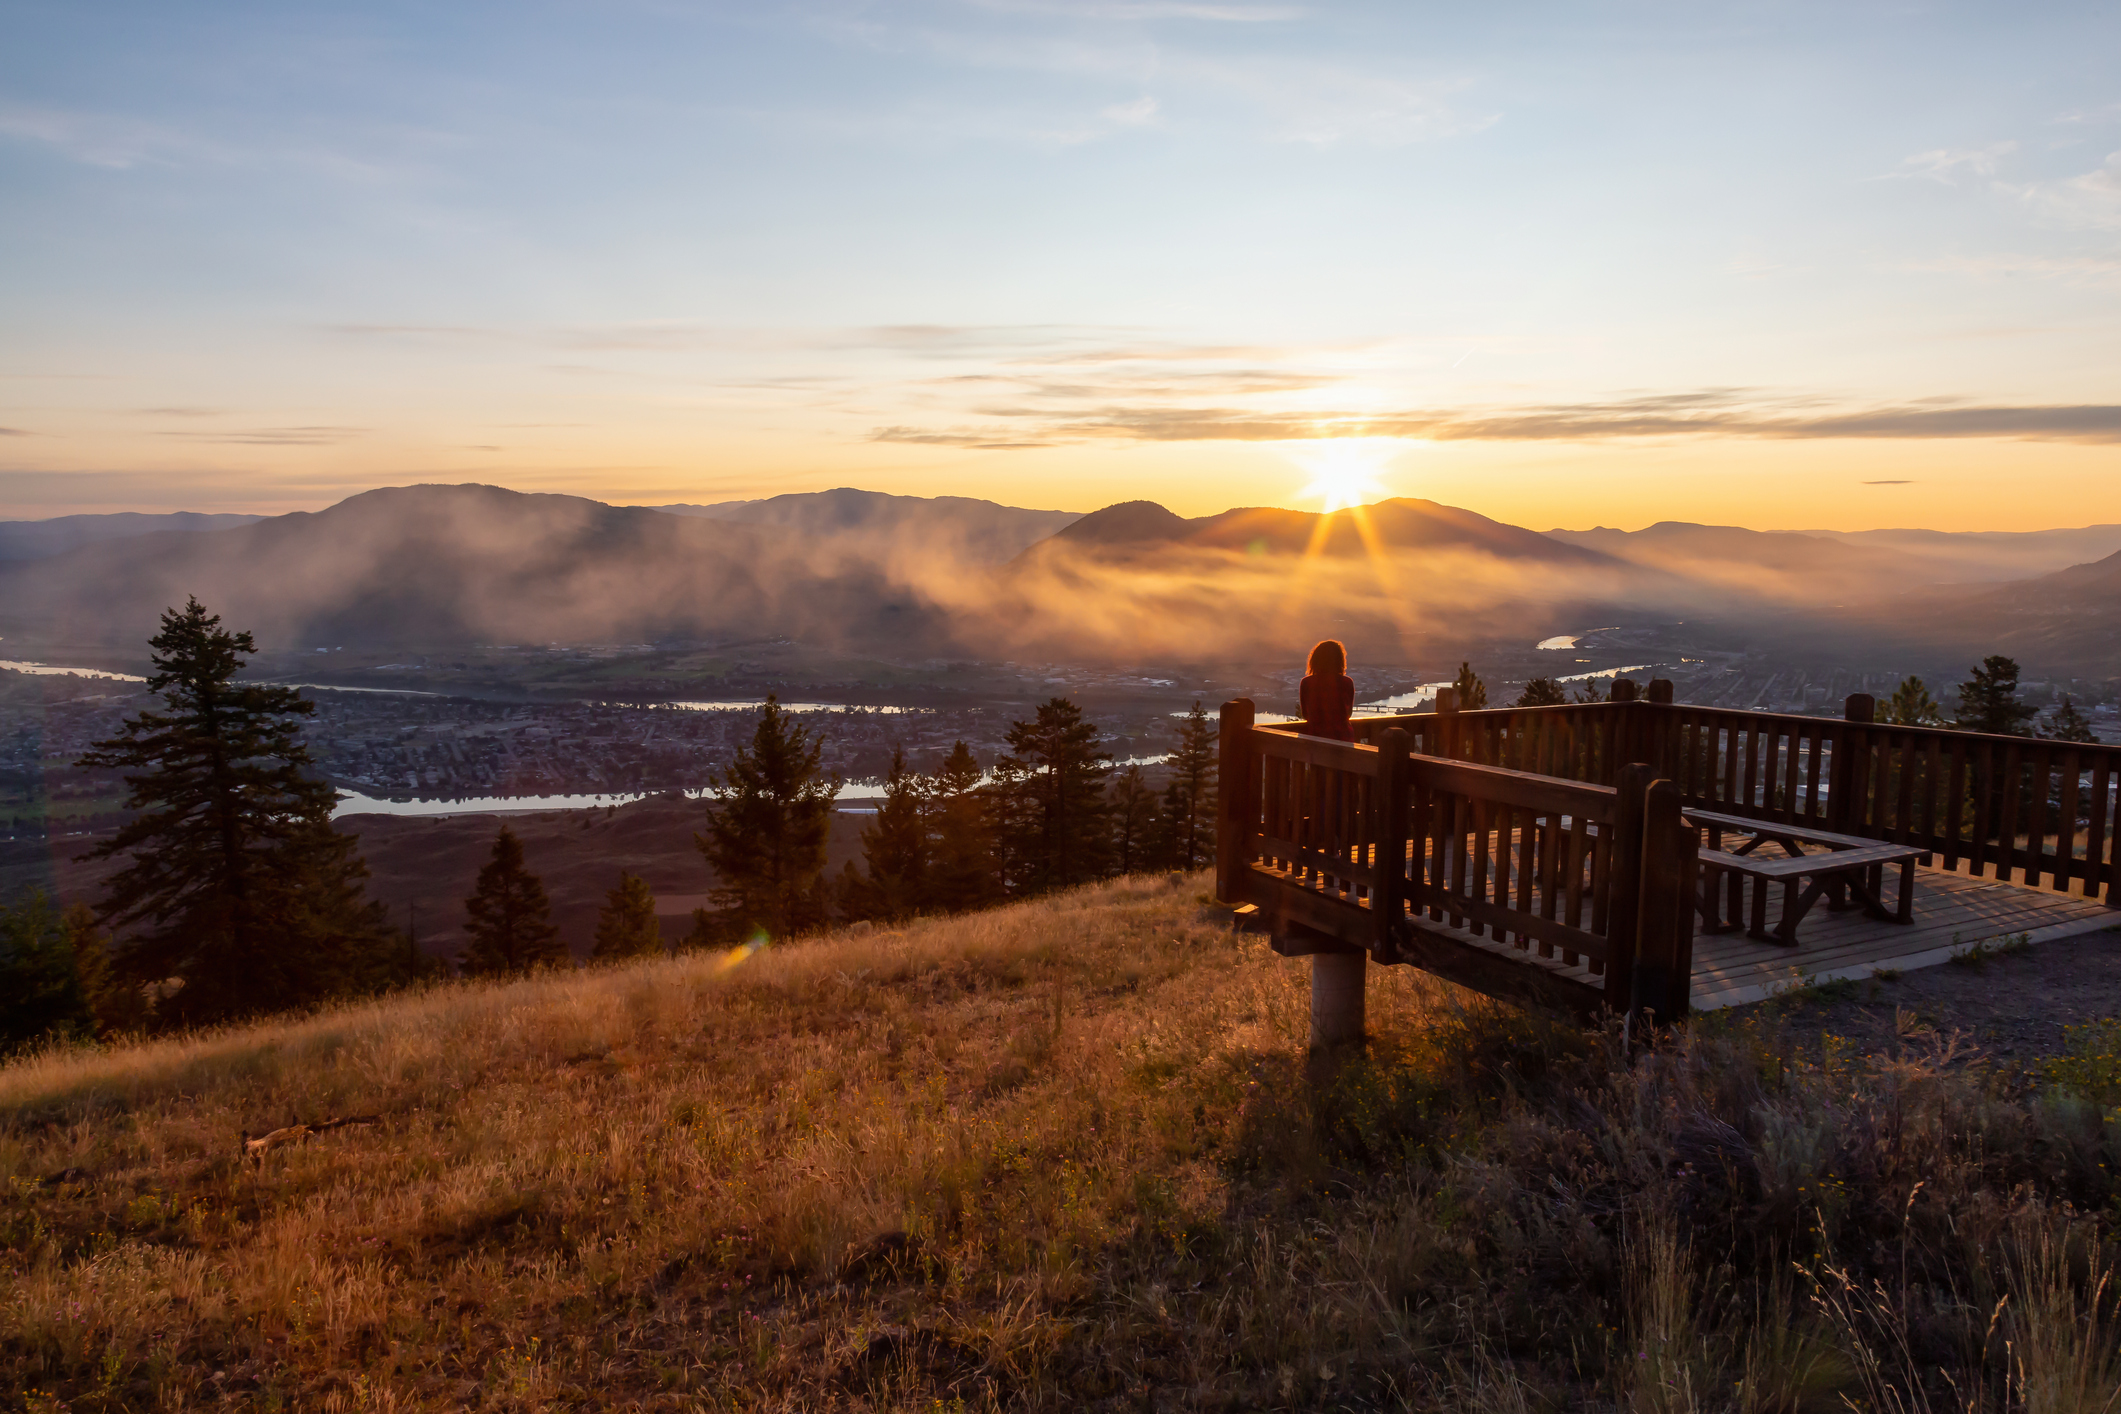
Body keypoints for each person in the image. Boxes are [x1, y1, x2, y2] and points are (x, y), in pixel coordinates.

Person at [1299, 639, 1357, 741]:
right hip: (1343, 738)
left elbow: (1305, 714)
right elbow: (1348, 713)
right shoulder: (1347, 682)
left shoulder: (1307, 683)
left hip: (1316, 737)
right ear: (1340, 660)